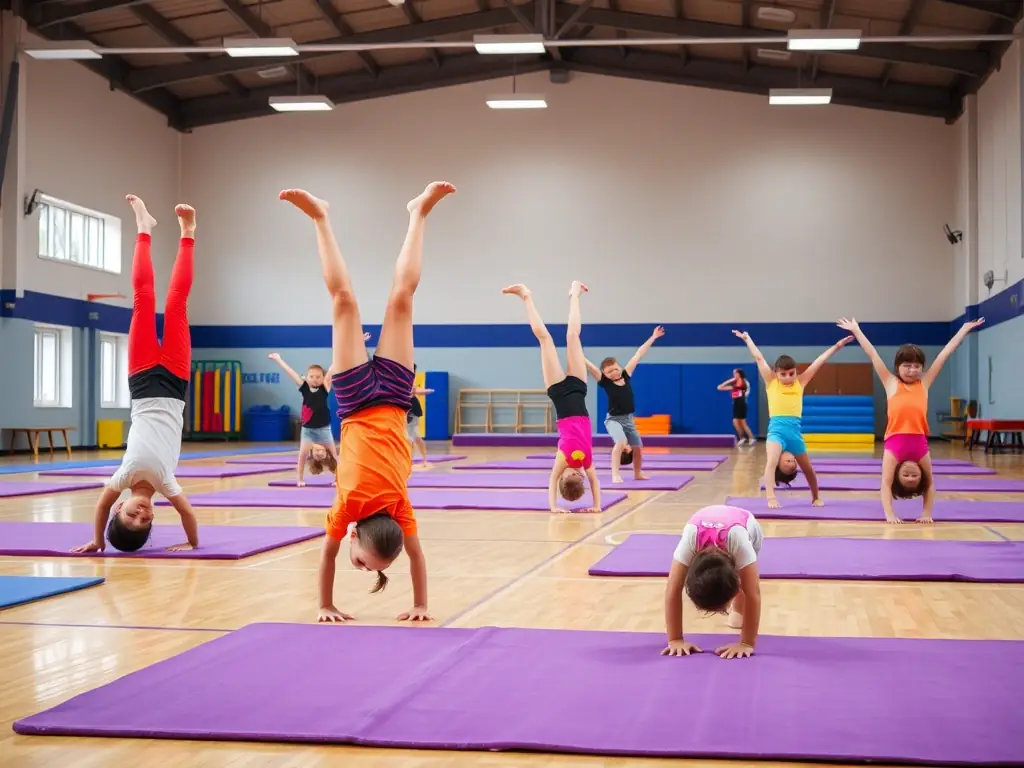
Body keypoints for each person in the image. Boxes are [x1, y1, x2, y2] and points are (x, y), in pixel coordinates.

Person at [279, 182, 455, 624]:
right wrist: (417, 604)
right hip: (390, 399)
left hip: (360, 402)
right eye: (365, 563)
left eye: (358, 565)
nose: (354, 564)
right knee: (395, 301)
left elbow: (408, 558)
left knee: (352, 302)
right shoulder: (384, 508)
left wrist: (327, 605)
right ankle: (417, 213)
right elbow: (337, 556)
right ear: (357, 535)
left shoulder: (369, 512)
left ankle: (323, 217)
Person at [73, 195, 199, 554]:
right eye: (145, 521)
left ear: (120, 506)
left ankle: (144, 228)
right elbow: (187, 513)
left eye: (130, 516)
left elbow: (98, 507)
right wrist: (191, 544)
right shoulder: (167, 483)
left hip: (142, 382)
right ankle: (188, 233)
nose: (141, 514)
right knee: (177, 302)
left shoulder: (121, 478)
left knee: (143, 298)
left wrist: (98, 542)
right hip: (175, 383)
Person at [837, 316, 985, 524]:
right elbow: (872, 353)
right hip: (894, 443)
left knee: (929, 481)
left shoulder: (924, 383)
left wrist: (963, 329)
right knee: (886, 481)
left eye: (917, 366)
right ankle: (889, 512)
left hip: (919, 442)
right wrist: (856, 330)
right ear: (897, 366)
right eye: (907, 366)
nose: (912, 370)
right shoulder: (890, 383)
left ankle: (926, 512)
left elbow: (945, 354)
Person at [504, 281, 602, 514]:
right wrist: (597, 506)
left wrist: (553, 507)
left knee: (545, 339)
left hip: (558, 392)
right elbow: (596, 482)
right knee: (573, 336)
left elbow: (550, 481)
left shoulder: (563, 459)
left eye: (570, 475)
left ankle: (526, 296)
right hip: (578, 389)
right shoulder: (586, 462)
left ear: (564, 477)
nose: (576, 472)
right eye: (579, 477)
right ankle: (575, 293)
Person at [734, 329, 853, 508]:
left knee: (808, 469)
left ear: (796, 372)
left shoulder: (801, 382)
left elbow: (819, 362)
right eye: (783, 374)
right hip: (776, 431)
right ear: (776, 373)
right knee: (771, 461)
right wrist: (747, 339)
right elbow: (759, 358)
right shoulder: (771, 382)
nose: (788, 378)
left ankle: (815, 497)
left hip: (794, 433)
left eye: (791, 373)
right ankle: (771, 496)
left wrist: (837, 346)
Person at [662, 504, 763, 660]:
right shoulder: (690, 541)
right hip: (704, 523)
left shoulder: (740, 544)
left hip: (747, 525)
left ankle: (737, 607)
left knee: (746, 583)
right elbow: (672, 590)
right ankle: (736, 609)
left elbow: (753, 593)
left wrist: (746, 643)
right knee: (736, 621)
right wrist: (675, 639)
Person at [584, 326, 665, 483]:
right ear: (605, 375)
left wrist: (653, 337)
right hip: (613, 419)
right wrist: (578, 354)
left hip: (629, 419)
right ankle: (615, 474)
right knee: (621, 442)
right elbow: (592, 368)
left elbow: (638, 354)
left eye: (615, 369)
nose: (613, 373)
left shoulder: (626, 375)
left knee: (638, 447)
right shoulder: (605, 383)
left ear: (619, 367)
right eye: (609, 372)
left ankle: (637, 473)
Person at [267, 353, 339, 486]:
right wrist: (278, 359)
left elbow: (333, 367)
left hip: (324, 429)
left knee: (334, 454)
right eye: (312, 377)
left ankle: (338, 479)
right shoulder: (304, 388)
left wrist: (357, 343)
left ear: (323, 378)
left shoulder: (325, 387)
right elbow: (291, 372)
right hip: (308, 431)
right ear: (307, 377)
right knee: (302, 455)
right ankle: (300, 479)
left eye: (318, 377)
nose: (315, 379)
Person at [406, 365, 435, 467]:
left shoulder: (409, 378)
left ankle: (419, 460)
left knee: (412, 437)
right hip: (405, 409)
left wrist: (425, 391)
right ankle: (418, 459)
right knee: (413, 437)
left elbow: (414, 390)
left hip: (411, 410)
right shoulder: (402, 378)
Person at [717, 368, 754, 445]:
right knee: (735, 421)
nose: (733, 375)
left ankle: (751, 438)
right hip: (736, 403)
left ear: (738, 374)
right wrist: (731, 380)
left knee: (742, 422)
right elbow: (719, 387)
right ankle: (742, 438)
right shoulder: (735, 384)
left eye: (735, 373)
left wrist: (733, 382)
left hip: (741, 403)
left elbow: (744, 390)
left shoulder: (743, 383)